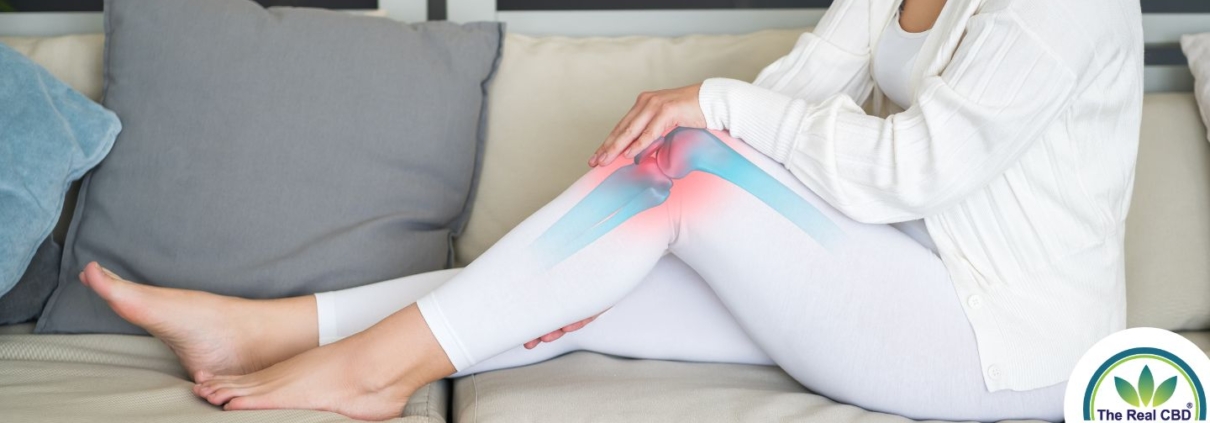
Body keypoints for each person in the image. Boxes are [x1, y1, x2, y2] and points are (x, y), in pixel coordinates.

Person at [75, 0, 1144, 420]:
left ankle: (367, 371)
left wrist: (714, 112)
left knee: (686, 176)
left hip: (1011, 346)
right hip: (903, 281)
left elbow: (910, 172)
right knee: (626, 248)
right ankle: (277, 326)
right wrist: (722, 121)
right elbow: (804, 87)